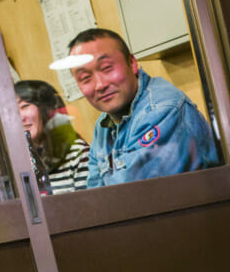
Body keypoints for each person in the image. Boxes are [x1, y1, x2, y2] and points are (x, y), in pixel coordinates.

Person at [67, 28, 218, 187]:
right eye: (85, 78)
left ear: (132, 63)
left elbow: (136, 195)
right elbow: (95, 195)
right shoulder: (103, 126)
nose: (100, 85)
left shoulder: (162, 110)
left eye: (107, 68)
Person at [15, 79, 90, 194]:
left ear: (48, 110)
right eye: (14, 110)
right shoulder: (21, 160)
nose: (20, 117)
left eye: (24, 106)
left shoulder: (78, 153)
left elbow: (89, 206)